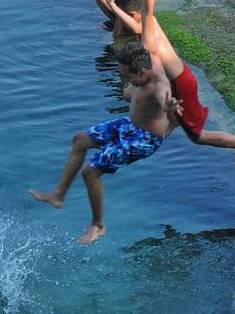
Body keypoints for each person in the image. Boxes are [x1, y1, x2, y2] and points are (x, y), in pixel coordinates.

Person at [107, 0, 235, 167]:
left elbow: (144, 13)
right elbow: (146, 9)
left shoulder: (147, 35)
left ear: (134, 14)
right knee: (155, 110)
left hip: (182, 83)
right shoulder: (148, 25)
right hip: (175, 80)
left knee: (198, 136)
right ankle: (162, 129)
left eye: (127, 15)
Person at [30, 42, 171, 244]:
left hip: (144, 140)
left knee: (90, 171)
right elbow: (151, 45)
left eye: (127, 76)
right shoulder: (149, 61)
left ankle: (98, 225)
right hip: (130, 126)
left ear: (142, 71)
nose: (124, 79)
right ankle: (58, 195)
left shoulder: (159, 86)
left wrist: (170, 106)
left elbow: (165, 99)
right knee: (80, 139)